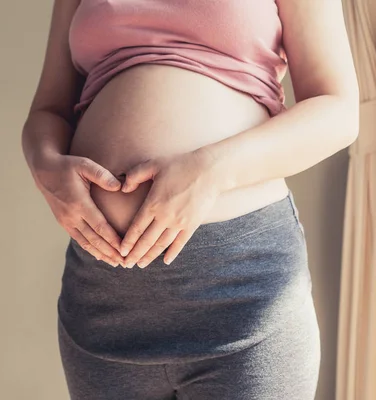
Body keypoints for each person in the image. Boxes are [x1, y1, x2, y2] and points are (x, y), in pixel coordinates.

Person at [21, 0, 359, 398]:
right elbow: (48, 110)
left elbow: (337, 111)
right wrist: (45, 167)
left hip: (242, 293)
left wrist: (210, 170)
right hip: (105, 299)